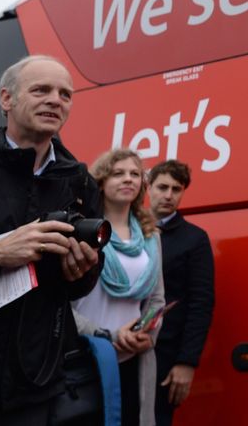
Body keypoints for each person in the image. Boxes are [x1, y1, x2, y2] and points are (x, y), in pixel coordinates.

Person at [0, 55, 103, 425]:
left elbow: (79, 287)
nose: (55, 100)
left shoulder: (80, 182)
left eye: (65, 94)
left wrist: (82, 270)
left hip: (37, 385)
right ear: (6, 99)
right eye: (41, 90)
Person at [73, 149, 165, 426]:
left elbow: (157, 300)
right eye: (118, 173)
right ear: (101, 182)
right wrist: (108, 336)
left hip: (134, 358)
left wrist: (147, 335)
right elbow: (62, 304)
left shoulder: (150, 235)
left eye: (135, 174)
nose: (128, 179)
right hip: (88, 355)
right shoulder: (83, 230)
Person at [147, 159, 214, 426]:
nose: (168, 195)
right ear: (148, 187)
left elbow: (201, 303)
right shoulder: (128, 230)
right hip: (123, 347)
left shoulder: (194, 239)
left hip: (165, 356)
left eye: (176, 189)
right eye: (162, 187)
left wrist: (187, 362)